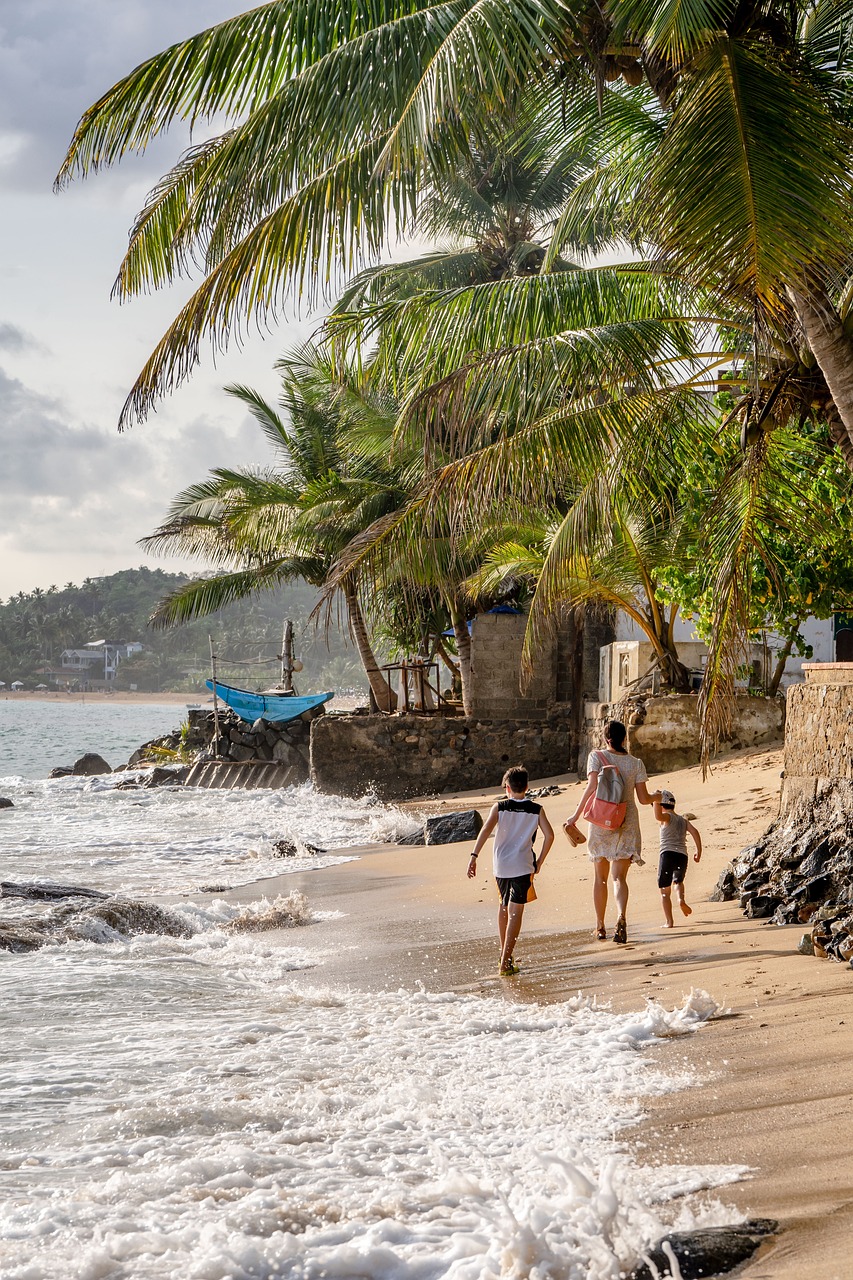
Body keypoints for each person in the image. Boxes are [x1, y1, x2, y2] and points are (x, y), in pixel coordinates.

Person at [563, 720, 661, 944]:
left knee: (601, 879)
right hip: (626, 821)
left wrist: (575, 816)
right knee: (619, 878)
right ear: (624, 738)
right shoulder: (636, 763)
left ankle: (599, 927)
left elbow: (591, 788)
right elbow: (644, 799)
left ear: (606, 738)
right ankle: (621, 917)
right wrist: (658, 796)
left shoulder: (596, 756)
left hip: (600, 820)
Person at [467, 764, 554, 976]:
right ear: (527, 787)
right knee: (516, 912)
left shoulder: (500, 807)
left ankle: (504, 954)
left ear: (507, 787)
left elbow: (485, 831)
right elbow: (550, 836)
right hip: (523, 866)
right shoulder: (536, 809)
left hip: (501, 866)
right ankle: (505, 961)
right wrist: (540, 861)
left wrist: (474, 856)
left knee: (503, 907)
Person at [653, 789, 702, 928]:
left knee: (664, 891)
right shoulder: (683, 820)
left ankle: (669, 921)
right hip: (682, 856)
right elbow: (695, 832)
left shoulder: (666, 817)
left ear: (662, 806)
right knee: (678, 882)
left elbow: (657, 816)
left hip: (667, 854)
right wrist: (699, 851)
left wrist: (655, 799)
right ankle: (681, 899)